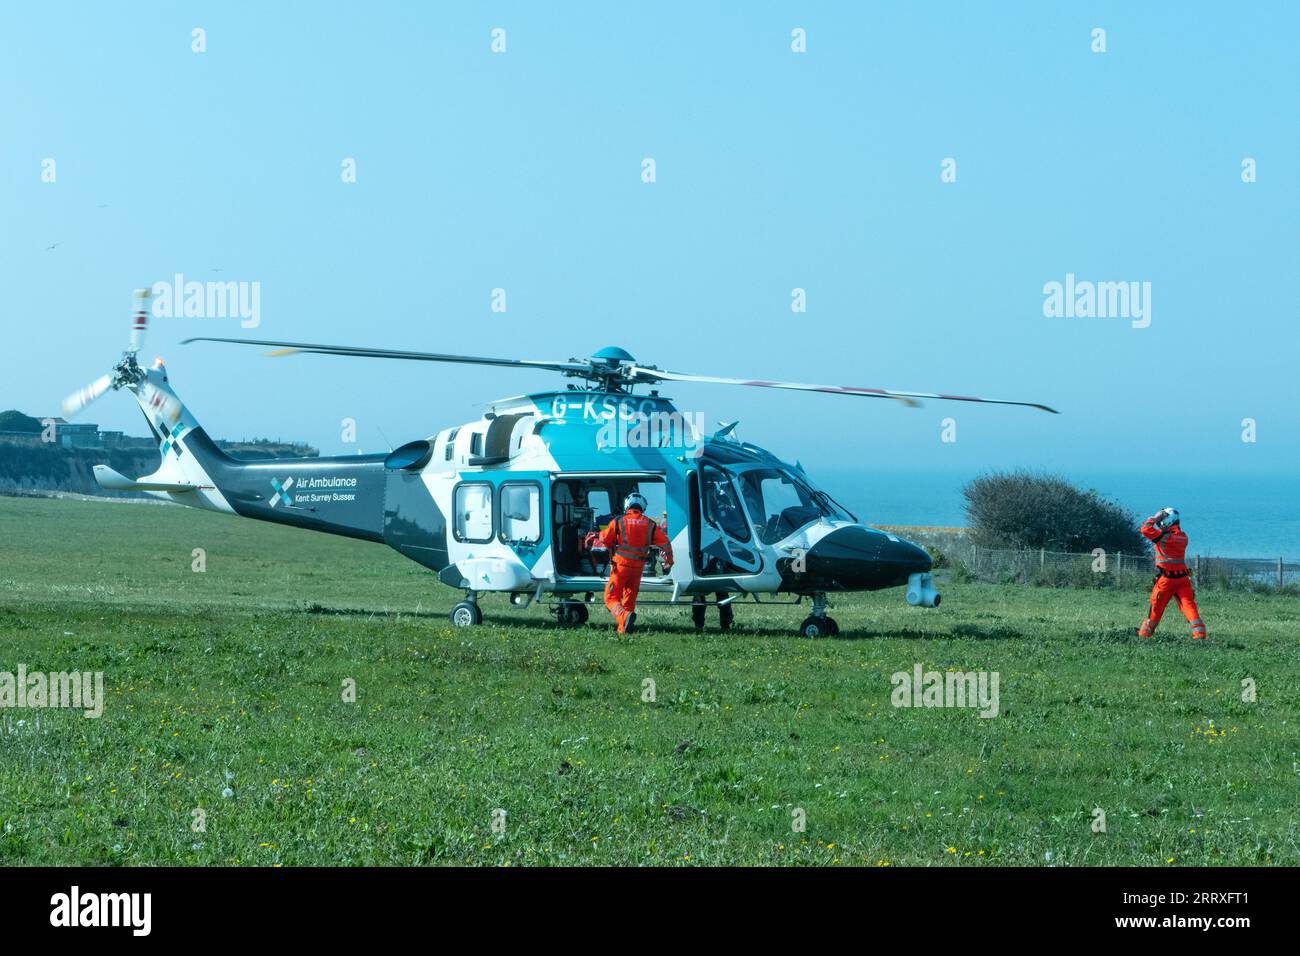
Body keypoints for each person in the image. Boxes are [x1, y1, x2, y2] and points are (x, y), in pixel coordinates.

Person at [600, 492, 672, 634]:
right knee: (629, 599)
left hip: (620, 567)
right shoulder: (650, 524)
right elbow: (665, 543)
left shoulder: (618, 521)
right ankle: (624, 630)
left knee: (610, 598)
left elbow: (605, 539)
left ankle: (624, 616)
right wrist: (669, 561)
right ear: (643, 507)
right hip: (638, 568)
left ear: (627, 505)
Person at [1137, 507, 1207, 640]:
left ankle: (1143, 636)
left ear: (1168, 521)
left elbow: (1144, 529)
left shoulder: (1163, 537)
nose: (1160, 524)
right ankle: (1200, 636)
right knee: (1189, 607)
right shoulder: (1183, 537)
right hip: (1183, 579)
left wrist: (1156, 517)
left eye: (1162, 520)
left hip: (1166, 580)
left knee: (1155, 611)